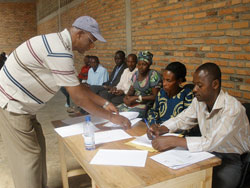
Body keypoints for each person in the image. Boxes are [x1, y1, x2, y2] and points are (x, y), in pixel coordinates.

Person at [0, 16, 131, 188]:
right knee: (28, 159)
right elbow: (78, 98)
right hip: (13, 105)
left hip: (25, 107)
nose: (92, 46)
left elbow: (77, 86)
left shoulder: (61, 47)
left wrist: (104, 103)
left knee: (37, 151)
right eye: (91, 40)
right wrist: (111, 117)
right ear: (79, 34)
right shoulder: (59, 50)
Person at [148, 63, 250, 188]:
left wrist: (175, 141)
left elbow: (211, 141)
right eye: (195, 84)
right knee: (177, 178)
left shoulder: (232, 108)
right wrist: (161, 128)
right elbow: (183, 119)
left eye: (199, 85)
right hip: (205, 153)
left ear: (215, 84)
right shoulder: (199, 101)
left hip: (230, 159)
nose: (194, 89)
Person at [147, 61, 193, 126]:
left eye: (168, 80)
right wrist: (153, 124)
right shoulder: (162, 93)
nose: (164, 84)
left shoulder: (187, 94)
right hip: (158, 129)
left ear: (179, 81)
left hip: (175, 132)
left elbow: (187, 120)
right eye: (163, 79)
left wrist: (165, 129)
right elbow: (153, 111)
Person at [118, 51, 162, 117]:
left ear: (149, 65)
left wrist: (137, 97)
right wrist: (126, 98)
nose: (141, 67)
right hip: (134, 102)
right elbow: (131, 90)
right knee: (115, 110)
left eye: (144, 64)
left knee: (125, 115)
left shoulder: (153, 75)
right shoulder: (136, 74)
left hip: (147, 105)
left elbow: (155, 96)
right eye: (139, 64)